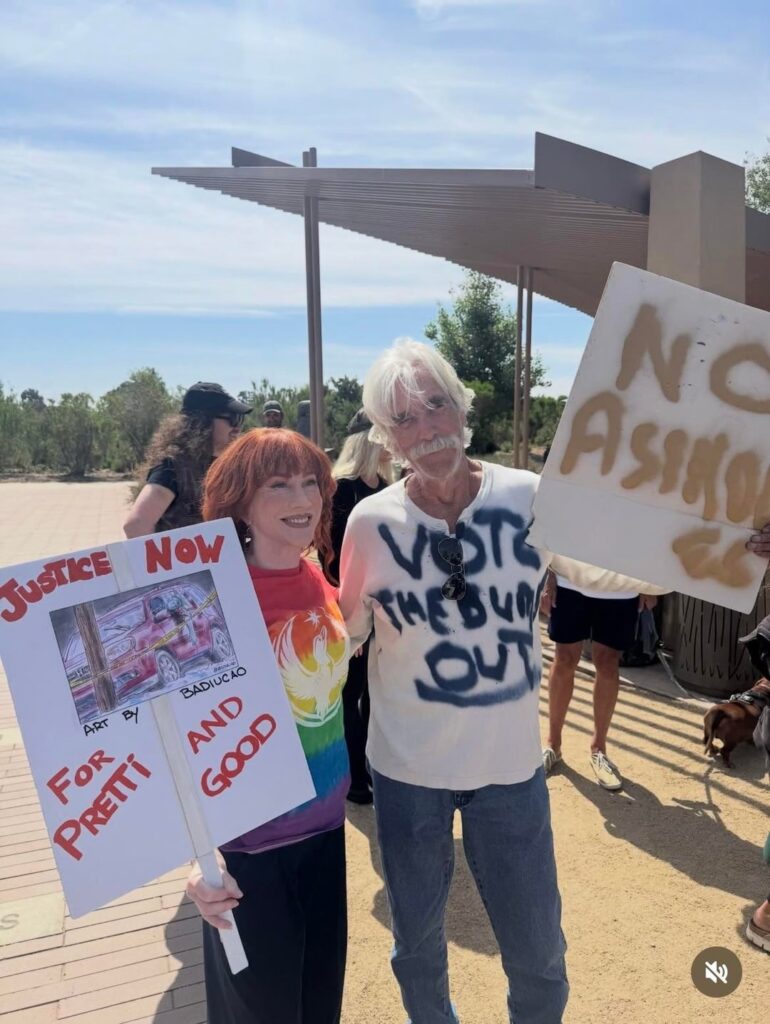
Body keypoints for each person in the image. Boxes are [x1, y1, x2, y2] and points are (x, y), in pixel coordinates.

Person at [338, 339, 569, 1024]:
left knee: (538, 955)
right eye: (404, 418)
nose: (428, 427)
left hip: (509, 771)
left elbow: (605, 570)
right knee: (416, 947)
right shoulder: (370, 522)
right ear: (386, 436)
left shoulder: (529, 498)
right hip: (408, 775)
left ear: (461, 404)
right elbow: (342, 635)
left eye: (436, 404)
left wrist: (728, 546)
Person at [184, 428, 350, 1024]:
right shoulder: (211, 599)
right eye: (277, 484)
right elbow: (175, 735)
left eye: (310, 481)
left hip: (326, 834)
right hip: (249, 852)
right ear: (240, 503)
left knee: (318, 1006)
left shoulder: (318, 582)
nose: (300, 496)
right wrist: (198, 863)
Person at [324, 408, 393, 804]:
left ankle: (364, 765)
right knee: (349, 697)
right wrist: (353, 617)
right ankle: (351, 776)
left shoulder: (385, 487)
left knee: (374, 692)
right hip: (348, 609)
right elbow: (332, 556)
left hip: (382, 612)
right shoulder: (342, 490)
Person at [540, 570, 661, 791]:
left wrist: (648, 584)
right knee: (564, 659)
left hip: (621, 584)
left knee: (607, 663)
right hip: (570, 579)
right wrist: (549, 576)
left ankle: (599, 749)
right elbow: (554, 533)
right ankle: (552, 744)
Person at [123, 382, 251, 537]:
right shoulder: (172, 468)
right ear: (202, 422)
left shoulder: (224, 465)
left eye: (240, 420)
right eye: (231, 419)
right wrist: (169, 561)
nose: (237, 428)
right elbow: (136, 525)